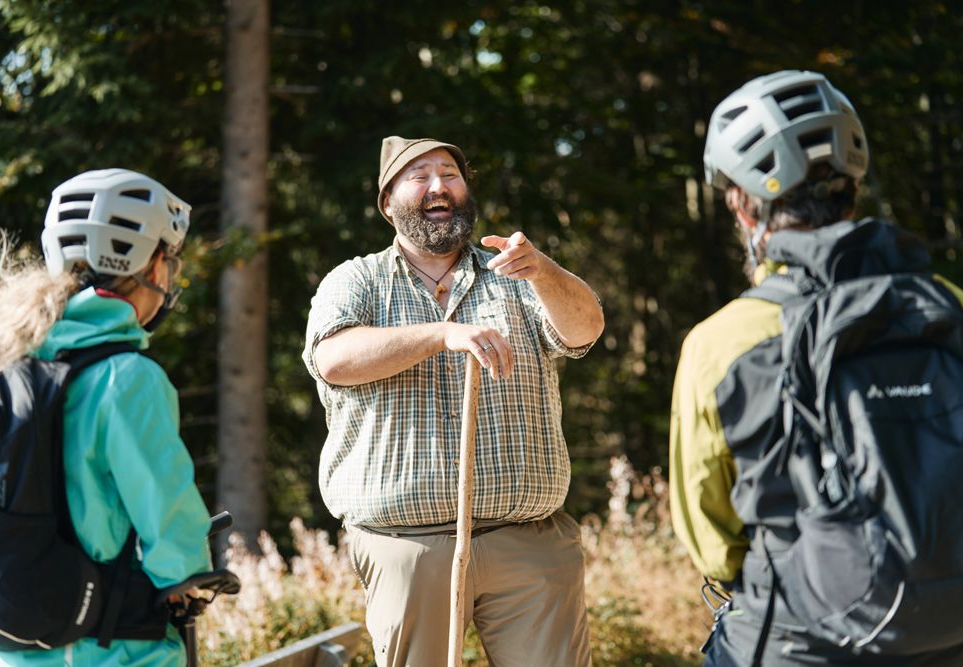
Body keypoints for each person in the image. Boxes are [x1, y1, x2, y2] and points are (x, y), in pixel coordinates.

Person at [669, 70, 963, 665]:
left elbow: (711, 535)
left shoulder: (721, 341)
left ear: (745, 209)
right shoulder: (947, 304)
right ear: (851, 189)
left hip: (798, 637)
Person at [302, 136, 604, 666]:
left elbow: (585, 331)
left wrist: (546, 272)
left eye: (450, 173)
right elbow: (334, 358)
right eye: (419, 176)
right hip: (407, 548)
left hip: (530, 540)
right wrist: (443, 334)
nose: (439, 185)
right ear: (388, 201)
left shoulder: (515, 273)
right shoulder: (356, 280)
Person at [0, 168, 212, 666]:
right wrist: (189, 577)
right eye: (170, 260)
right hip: (102, 650)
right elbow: (167, 515)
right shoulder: (126, 376)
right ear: (152, 265)